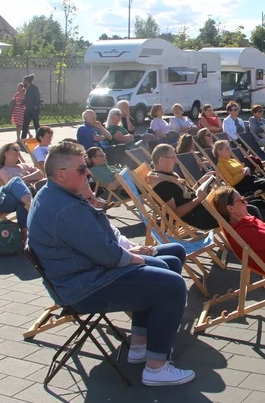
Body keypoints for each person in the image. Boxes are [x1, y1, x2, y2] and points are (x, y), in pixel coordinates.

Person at [27, 141, 195, 386]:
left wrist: (87, 199)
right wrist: (139, 258)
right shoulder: (65, 209)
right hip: (84, 286)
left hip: (82, 273)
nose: (88, 173)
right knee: (172, 284)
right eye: (82, 169)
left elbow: (101, 243)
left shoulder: (53, 193)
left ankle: (140, 345)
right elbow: (110, 256)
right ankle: (156, 369)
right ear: (62, 174)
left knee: (167, 262)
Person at [147, 144, 220, 230]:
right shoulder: (161, 185)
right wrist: (198, 199)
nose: (176, 161)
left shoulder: (166, 175)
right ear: (161, 160)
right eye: (173, 158)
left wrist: (200, 182)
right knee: (232, 208)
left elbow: (185, 195)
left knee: (229, 198)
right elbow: (175, 213)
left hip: (202, 209)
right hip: (200, 217)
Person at [22, 74, 42, 139]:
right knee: (25, 125)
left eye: (24, 81)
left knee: (36, 124)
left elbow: (38, 98)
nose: (23, 82)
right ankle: (23, 139)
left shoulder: (34, 88)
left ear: (27, 81)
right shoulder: (26, 89)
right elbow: (27, 99)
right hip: (28, 109)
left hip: (34, 110)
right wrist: (22, 102)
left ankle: (39, 138)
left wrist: (36, 106)